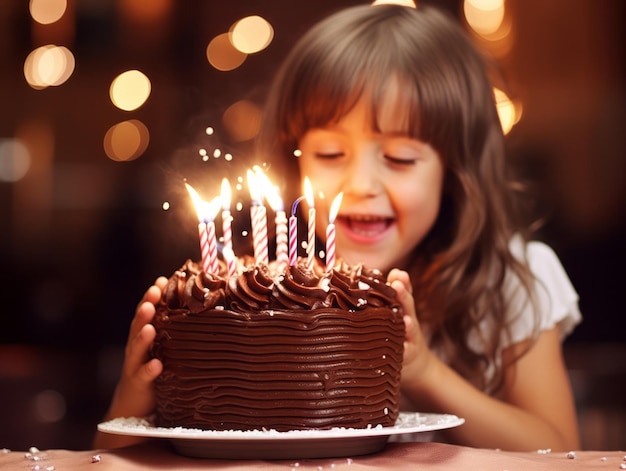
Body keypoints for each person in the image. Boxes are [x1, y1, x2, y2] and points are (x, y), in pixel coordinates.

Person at [94, 3, 581, 451]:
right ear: (293, 162)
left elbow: (560, 449)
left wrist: (425, 371)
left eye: (399, 157)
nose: (361, 184)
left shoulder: (511, 280)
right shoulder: (263, 295)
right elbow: (110, 460)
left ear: (455, 171)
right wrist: (135, 394)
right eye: (329, 155)